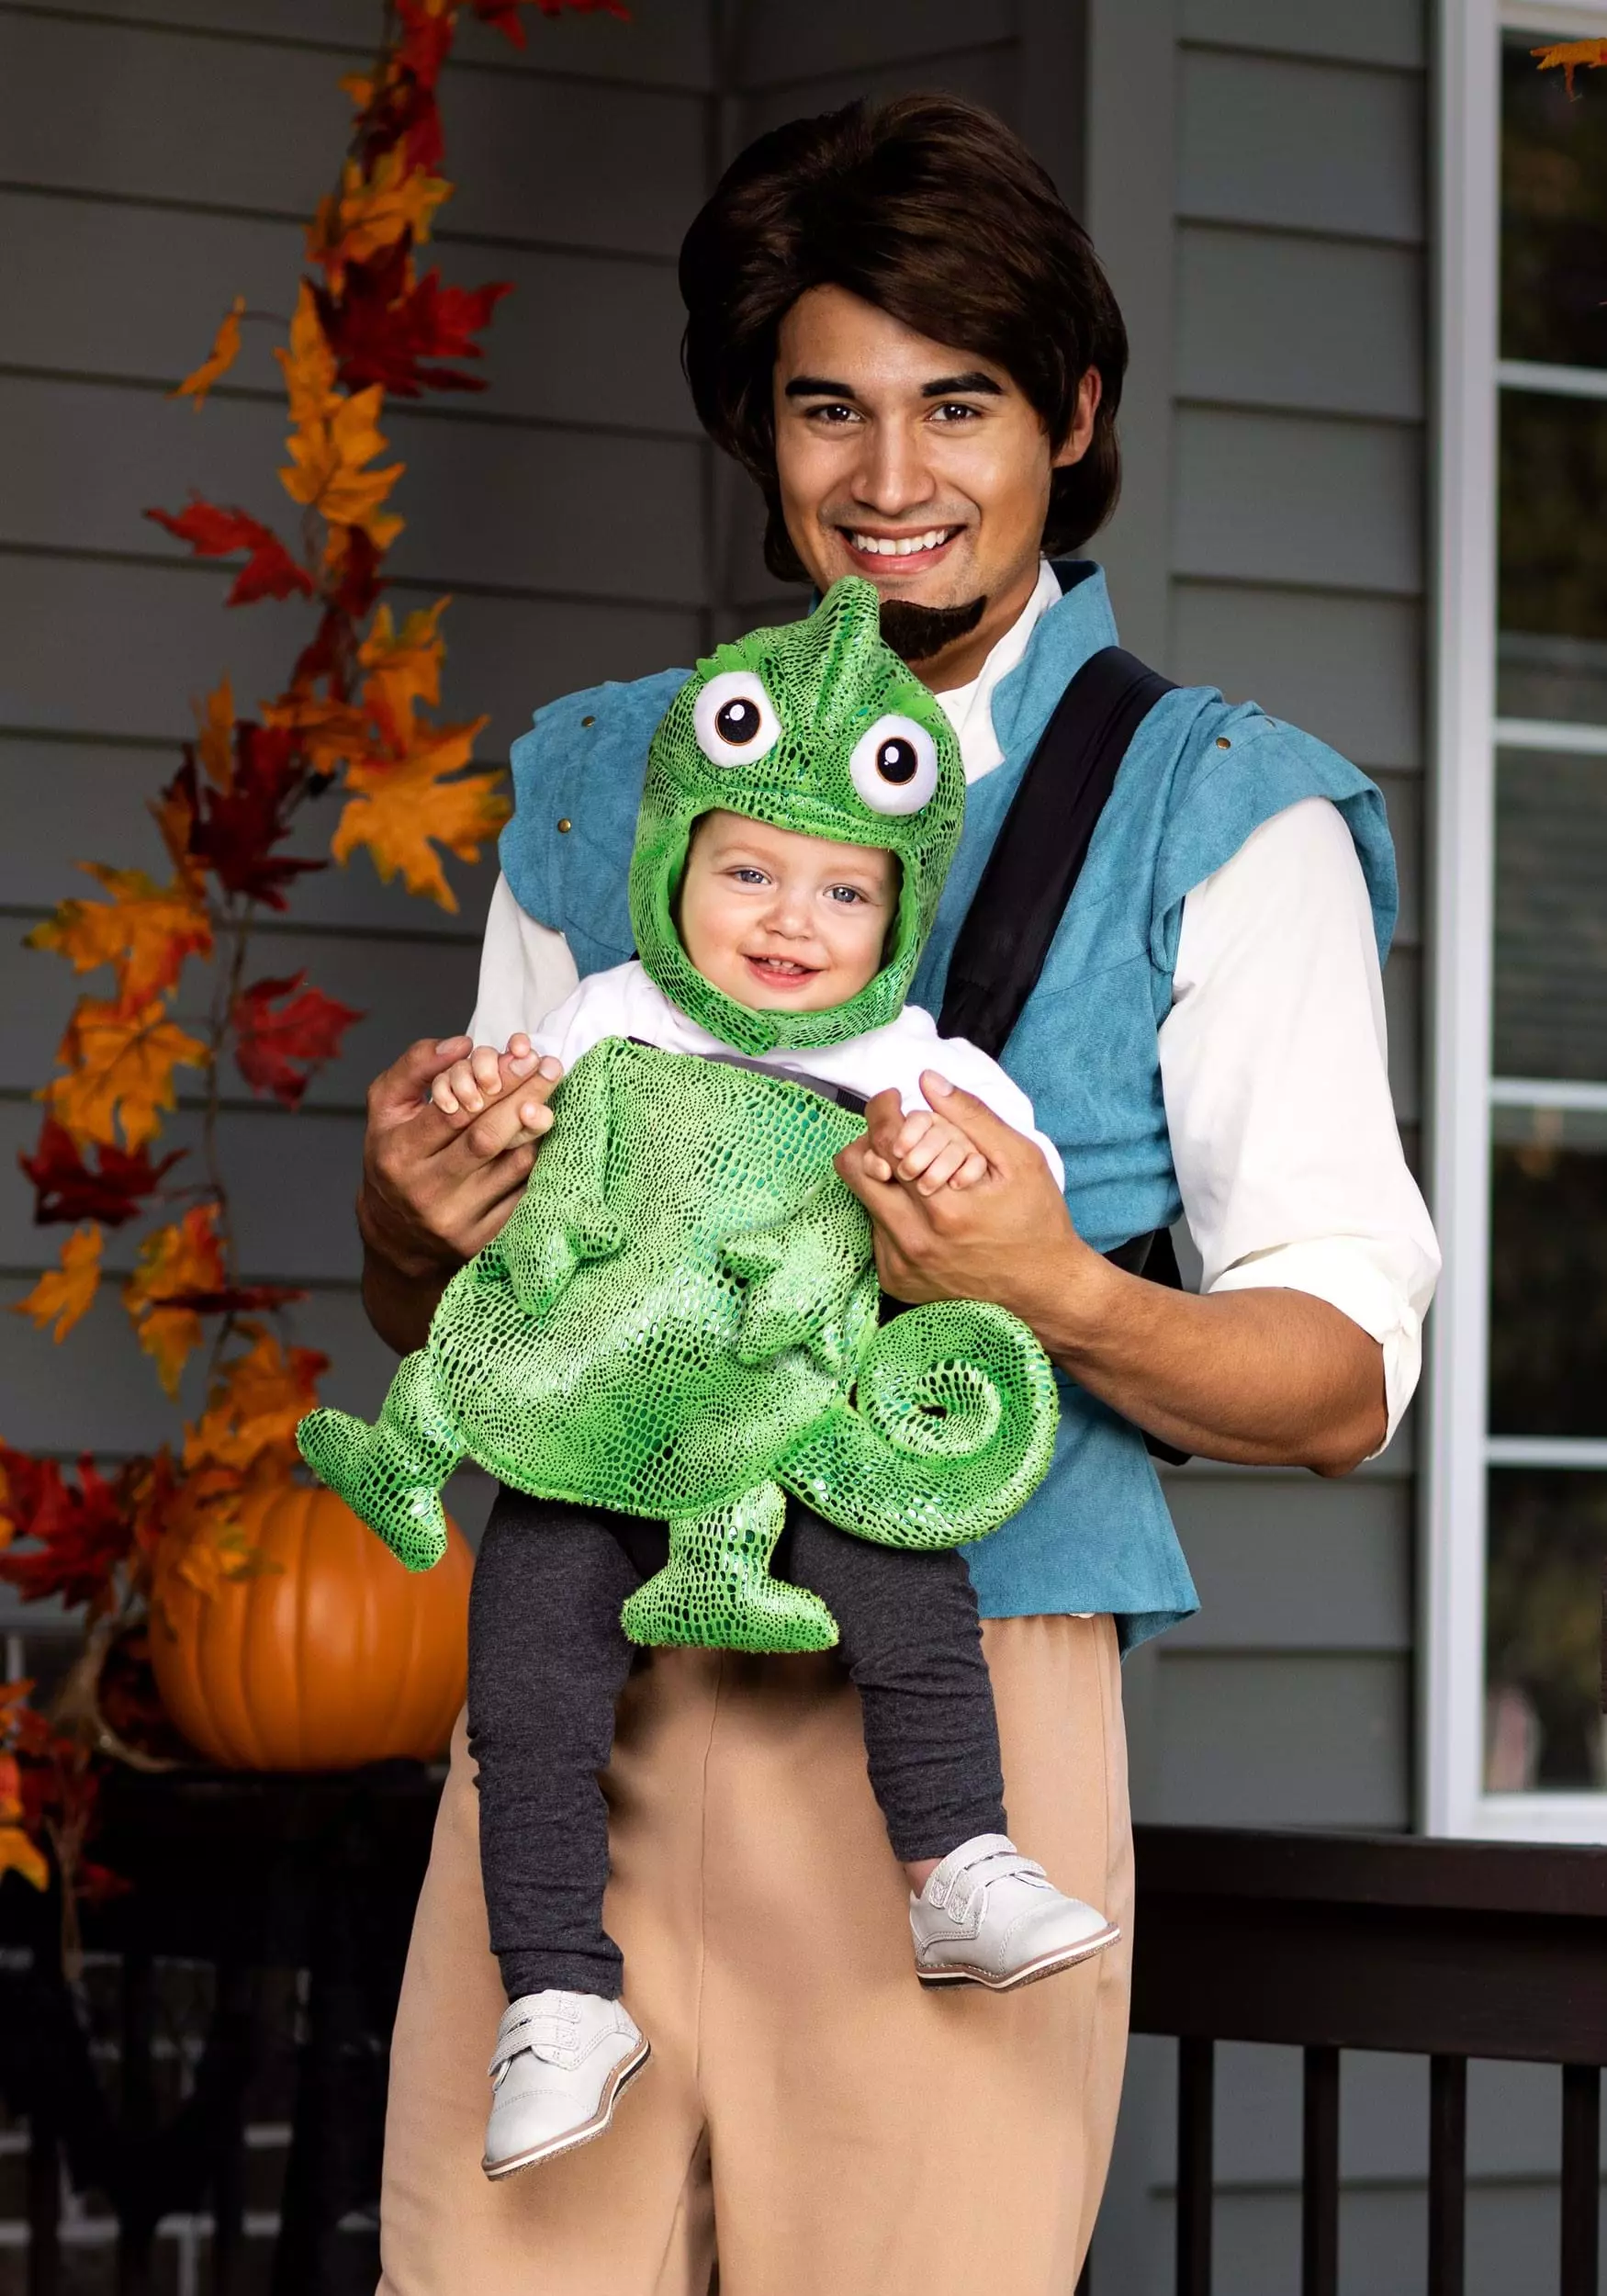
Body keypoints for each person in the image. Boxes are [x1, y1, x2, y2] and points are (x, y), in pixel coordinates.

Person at [361, 95, 1440, 2294]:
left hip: (959, 1725)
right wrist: (412, 1207)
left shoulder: (1224, 812)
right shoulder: (599, 773)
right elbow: (452, 1298)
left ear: (1070, 415)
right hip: (574, 1705)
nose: (886, 476)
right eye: (824, 406)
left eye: (955, 403)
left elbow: (1338, 1380)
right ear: (753, 428)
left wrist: (1054, 1285)